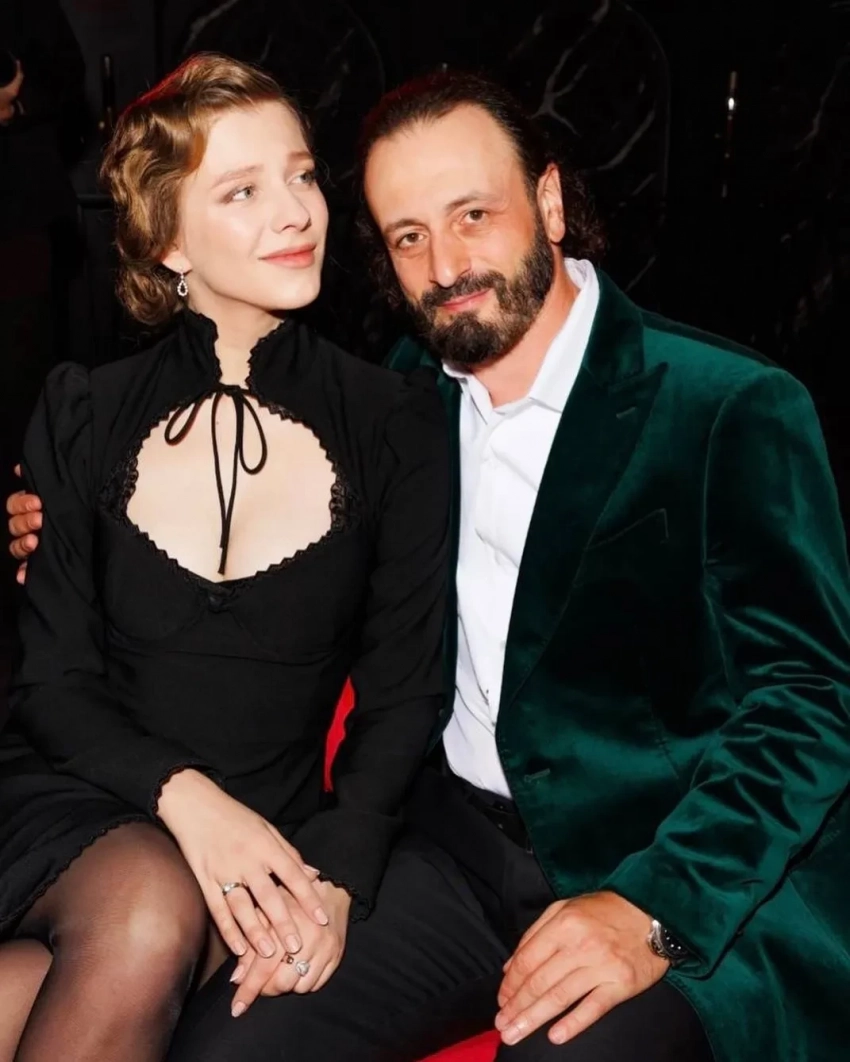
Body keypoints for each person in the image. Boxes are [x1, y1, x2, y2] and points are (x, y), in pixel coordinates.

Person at [9, 70, 850, 1062]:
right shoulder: (412, 402)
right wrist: (44, 519)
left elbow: (810, 700)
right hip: (455, 861)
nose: (445, 265)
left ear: (548, 202)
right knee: (228, 1043)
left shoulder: (726, 406)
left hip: (654, 861)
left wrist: (650, 908)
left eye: (472, 215)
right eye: (408, 236)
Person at [0, 53, 449, 1062]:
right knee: (146, 904)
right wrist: (194, 806)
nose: (295, 212)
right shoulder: (83, 410)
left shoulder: (394, 422)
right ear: (168, 239)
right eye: (242, 191)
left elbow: (403, 693)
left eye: (301, 175)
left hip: (257, 836)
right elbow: (52, 688)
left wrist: (337, 873)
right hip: (76, 802)